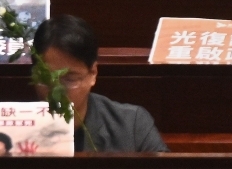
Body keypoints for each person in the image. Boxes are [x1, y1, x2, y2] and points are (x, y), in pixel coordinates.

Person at [33, 15, 169, 153]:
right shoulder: (14, 123)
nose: (57, 92)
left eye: (69, 79)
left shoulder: (132, 125)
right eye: (46, 79)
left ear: (93, 73)